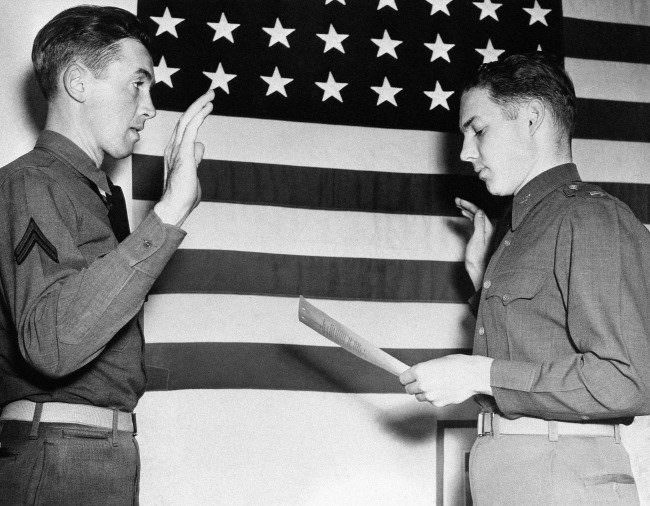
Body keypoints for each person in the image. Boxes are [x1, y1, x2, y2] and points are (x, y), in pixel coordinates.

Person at [400, 53, 650, 504]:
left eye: (478, 129)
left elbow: (627, 379)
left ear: (532, 119)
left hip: (559, 473)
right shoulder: (521, 230)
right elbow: (541, 340)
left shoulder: (590, 216)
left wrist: (479, 374)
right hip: (511, 467)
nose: (464, 152)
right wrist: (481, 276)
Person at [0, 6, 214, 504]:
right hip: (60, 456)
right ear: (77, 81)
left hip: (95, 452)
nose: (150, 106)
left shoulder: (91, 195)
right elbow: (52, 345)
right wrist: (168, 215)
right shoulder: (33, 182)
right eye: (137, 83)